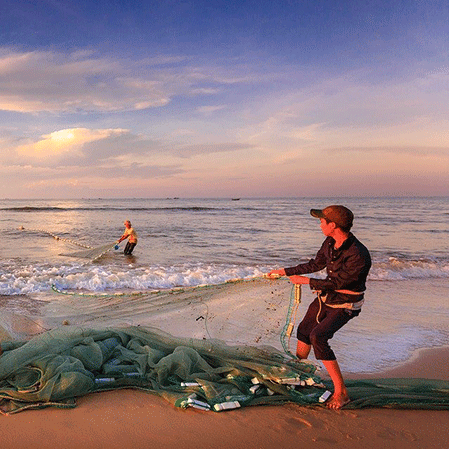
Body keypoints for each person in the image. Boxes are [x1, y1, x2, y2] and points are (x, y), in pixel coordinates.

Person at [268, 205, 371, 410]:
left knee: (319, 337)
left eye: (322, 221)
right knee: (304, 331)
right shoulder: (330, 241)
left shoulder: (358, 254)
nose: (320, 224)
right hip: (327, 297)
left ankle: (341, 392)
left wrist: (306, 282)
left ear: (332, 225)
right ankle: (299, 374)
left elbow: (339, 284)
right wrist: (284, 271)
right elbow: (315, 264)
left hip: (346, 303)